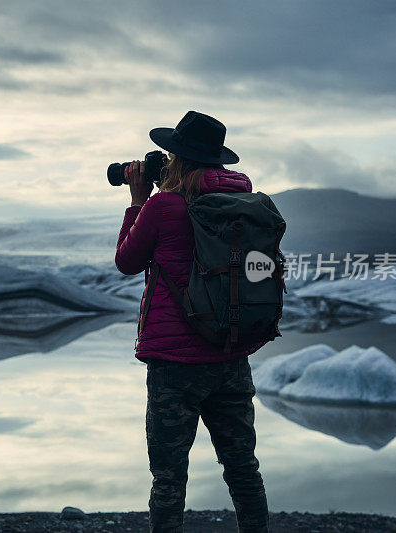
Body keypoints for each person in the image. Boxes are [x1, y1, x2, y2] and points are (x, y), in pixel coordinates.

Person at [115, 111, 269, 533]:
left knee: (169, 477)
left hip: (175, 364)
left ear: (177, 157)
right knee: (243, 469)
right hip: (231, 354)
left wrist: (137, 199)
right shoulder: (245, 203)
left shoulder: (163, 205)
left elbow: (127, 262)